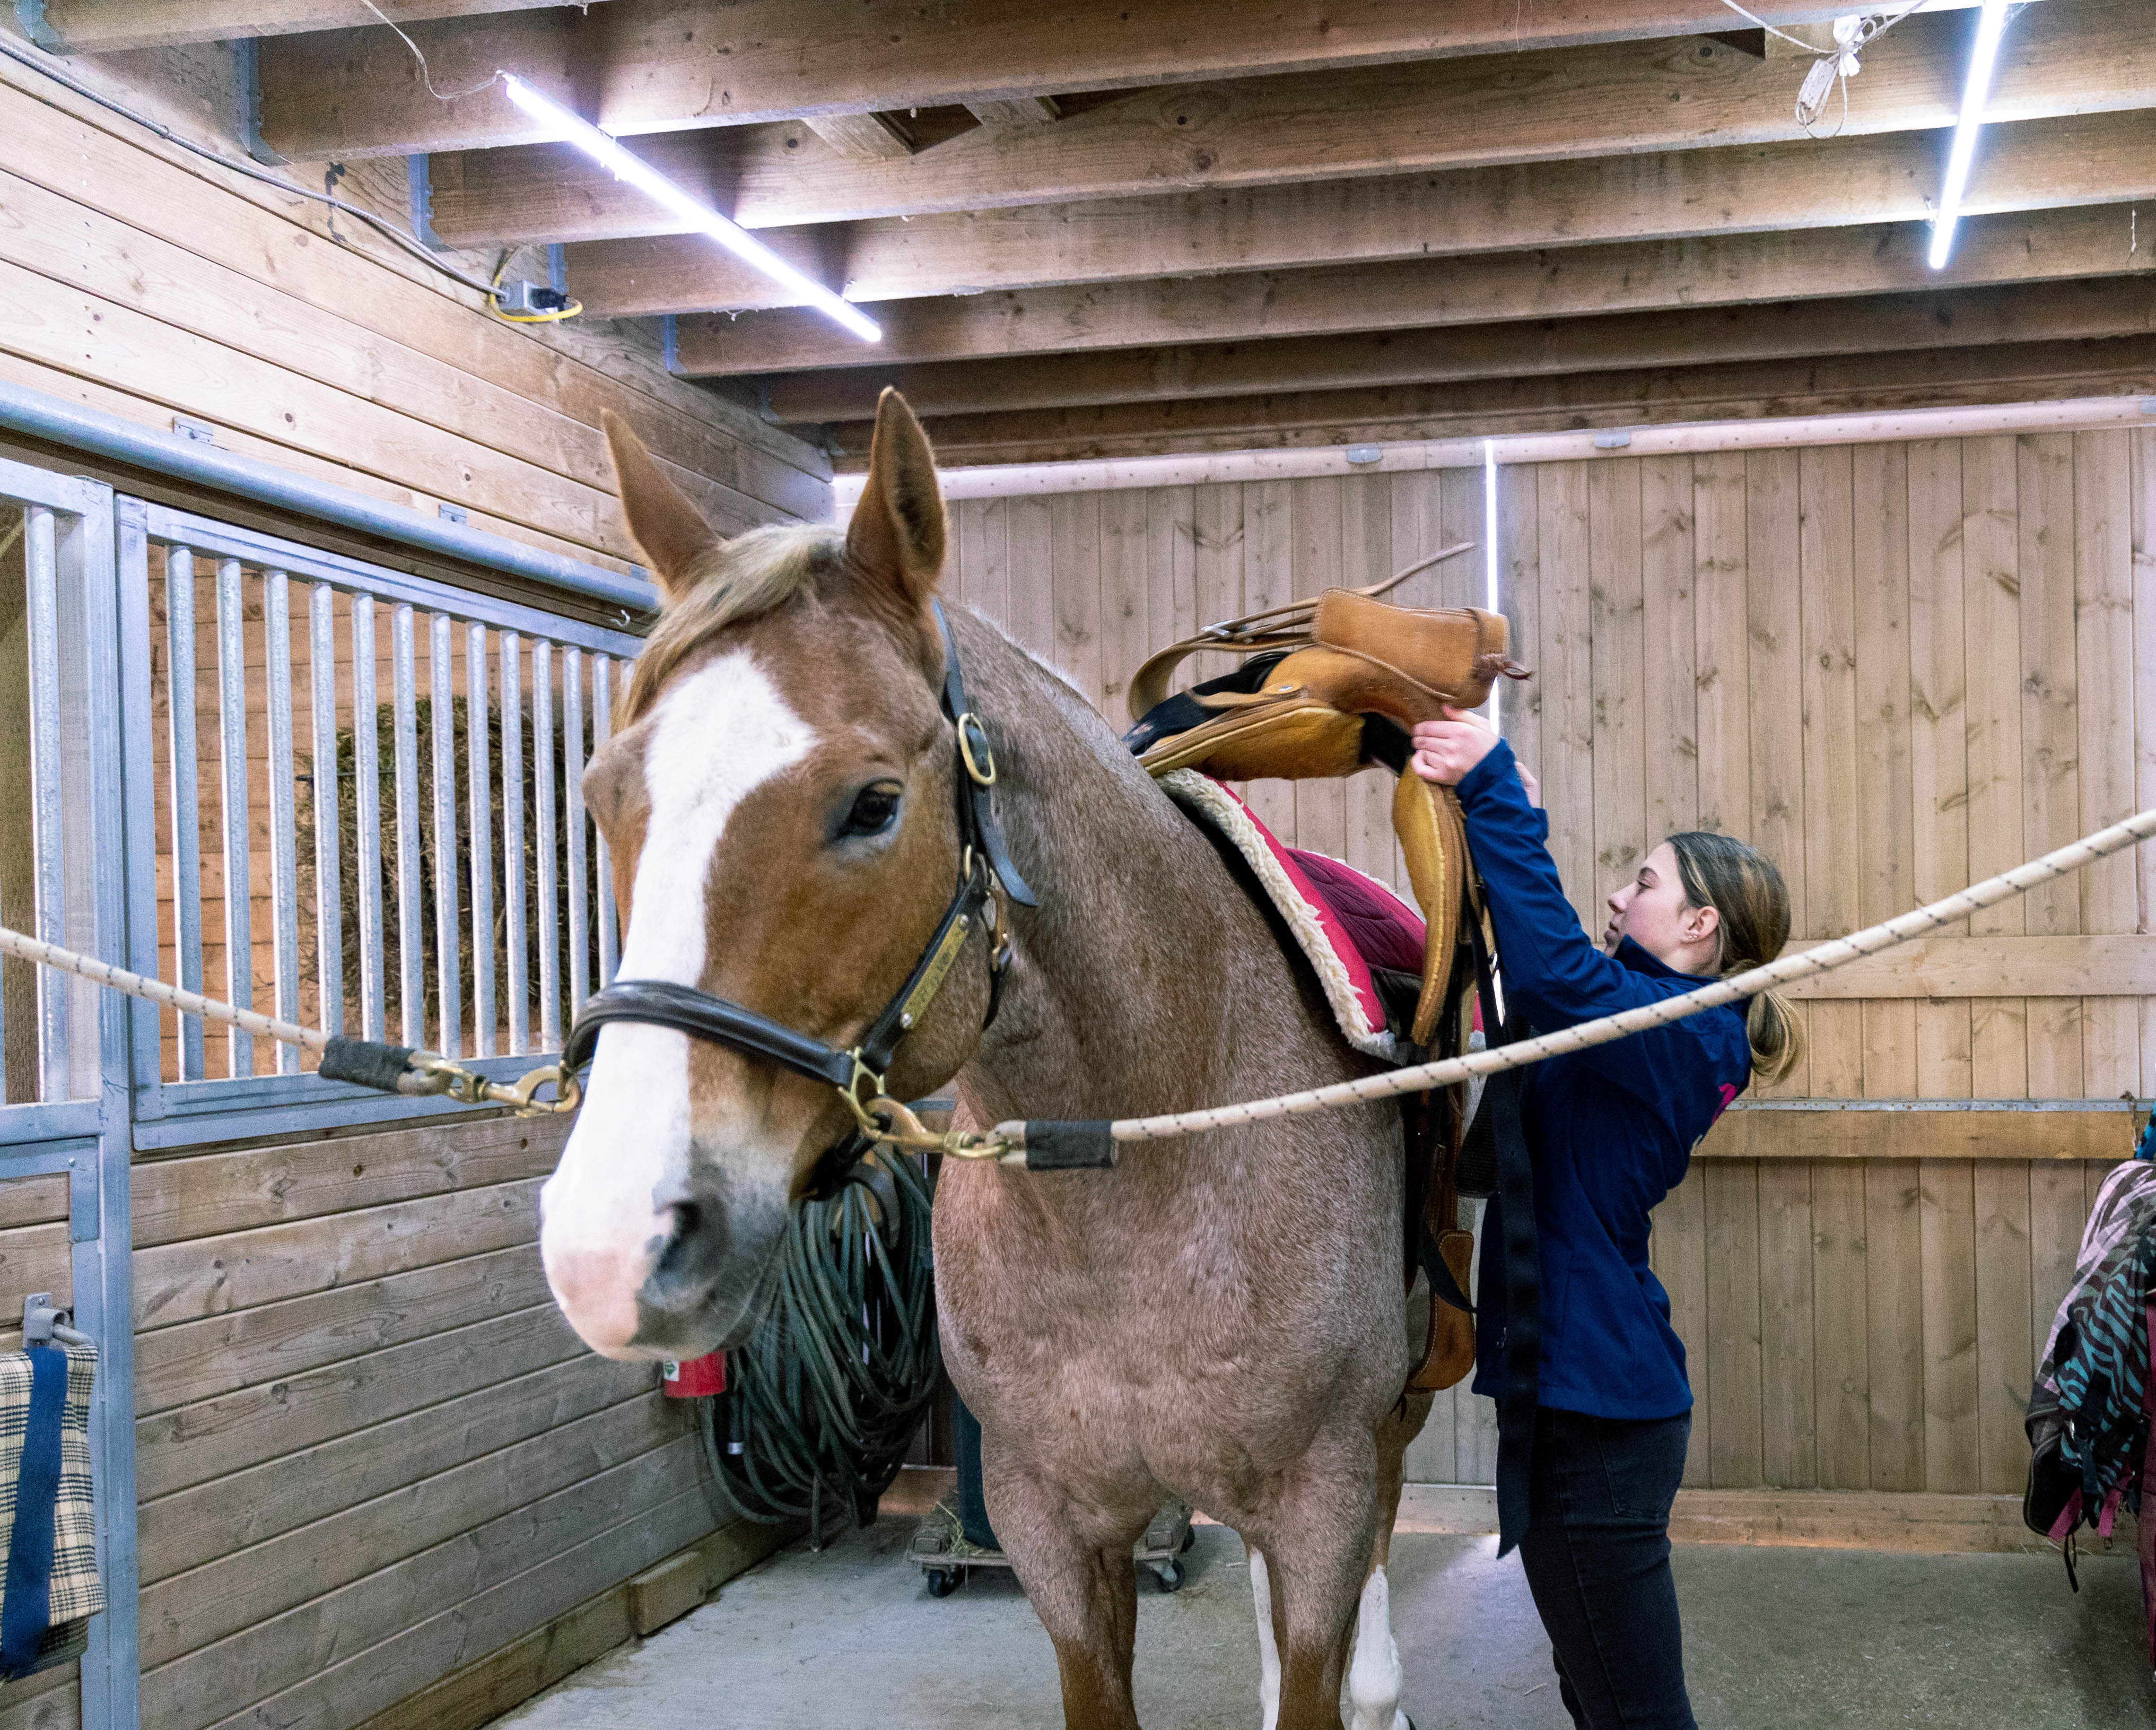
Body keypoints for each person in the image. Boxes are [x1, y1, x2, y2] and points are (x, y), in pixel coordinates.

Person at [1411, 703, 1802, 1730]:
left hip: (1598, 1421)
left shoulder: (1685, 1036)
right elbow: (1542, 979)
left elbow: (1550, 972)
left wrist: (1495, 784)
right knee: (1595, 1689)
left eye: (1641, 881)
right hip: (1583, 1405)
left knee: (1631, 1710)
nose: (1615, 892)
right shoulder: (1634, 1017)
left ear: (1697, 926)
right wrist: (1509, 821)